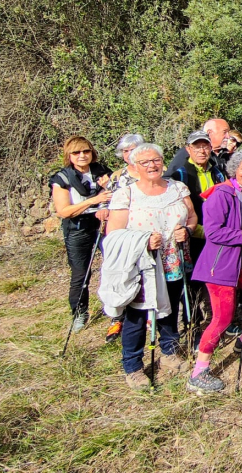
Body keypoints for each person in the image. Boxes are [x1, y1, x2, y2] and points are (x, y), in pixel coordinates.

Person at [103, 143, 198, 388]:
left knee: (171, 307)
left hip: (173, 259)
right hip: (141, 265)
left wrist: (186, 230)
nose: (152, 166)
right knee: (137, 314)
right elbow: (112, 234)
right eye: (144, 162)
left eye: (155, 160)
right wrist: (143, 241)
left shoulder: (177, 188)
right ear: (134, 166)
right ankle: (133, 366)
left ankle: (169, 352)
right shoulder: (127, 194)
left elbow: (192, 216)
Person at [185, 149, 242, 393]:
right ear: (234, 169)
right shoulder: (221, 194)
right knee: (222, 318)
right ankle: (199, 372)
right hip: (220, 266)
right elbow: (213, 232)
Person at [50, 136, 112, 334]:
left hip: (103, 224)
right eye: (76, 153)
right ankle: (79, 312)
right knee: (80, 273)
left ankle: (116, 309)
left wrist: (109, 185)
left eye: (85, 151)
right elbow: (64, 211)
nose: (82, 156)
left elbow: (116, 190)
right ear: (69, 156)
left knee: (113, 266)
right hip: (77, 228)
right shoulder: (62, 178)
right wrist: (94, 200)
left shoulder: (102, 171)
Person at [168, 131, 227, 314]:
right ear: (188, 149)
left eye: (205, 146)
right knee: (192, 281)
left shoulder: (218, 172)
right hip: (193, 235)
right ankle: (192, 321)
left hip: (217, 234)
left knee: (217, 277)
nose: (202, 151)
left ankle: (219, 316)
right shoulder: (180, 175)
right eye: (197, 146)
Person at [104, 133, 145, 342]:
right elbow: (105, 199)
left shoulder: (156, 171)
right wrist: (102, 210)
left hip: (146, 235)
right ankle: (117, 317)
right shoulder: (117, 177)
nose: (130, 154)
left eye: (134, 149)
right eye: (126, 150)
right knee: (121, 275)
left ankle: (146, 316)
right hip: (122, 234)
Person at [166, 118, 230, 176]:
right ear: (210, 133)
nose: (228, 136)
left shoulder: (225, 154)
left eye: (228, 132)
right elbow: (169, 178)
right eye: (224, 132)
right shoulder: (187, 152)